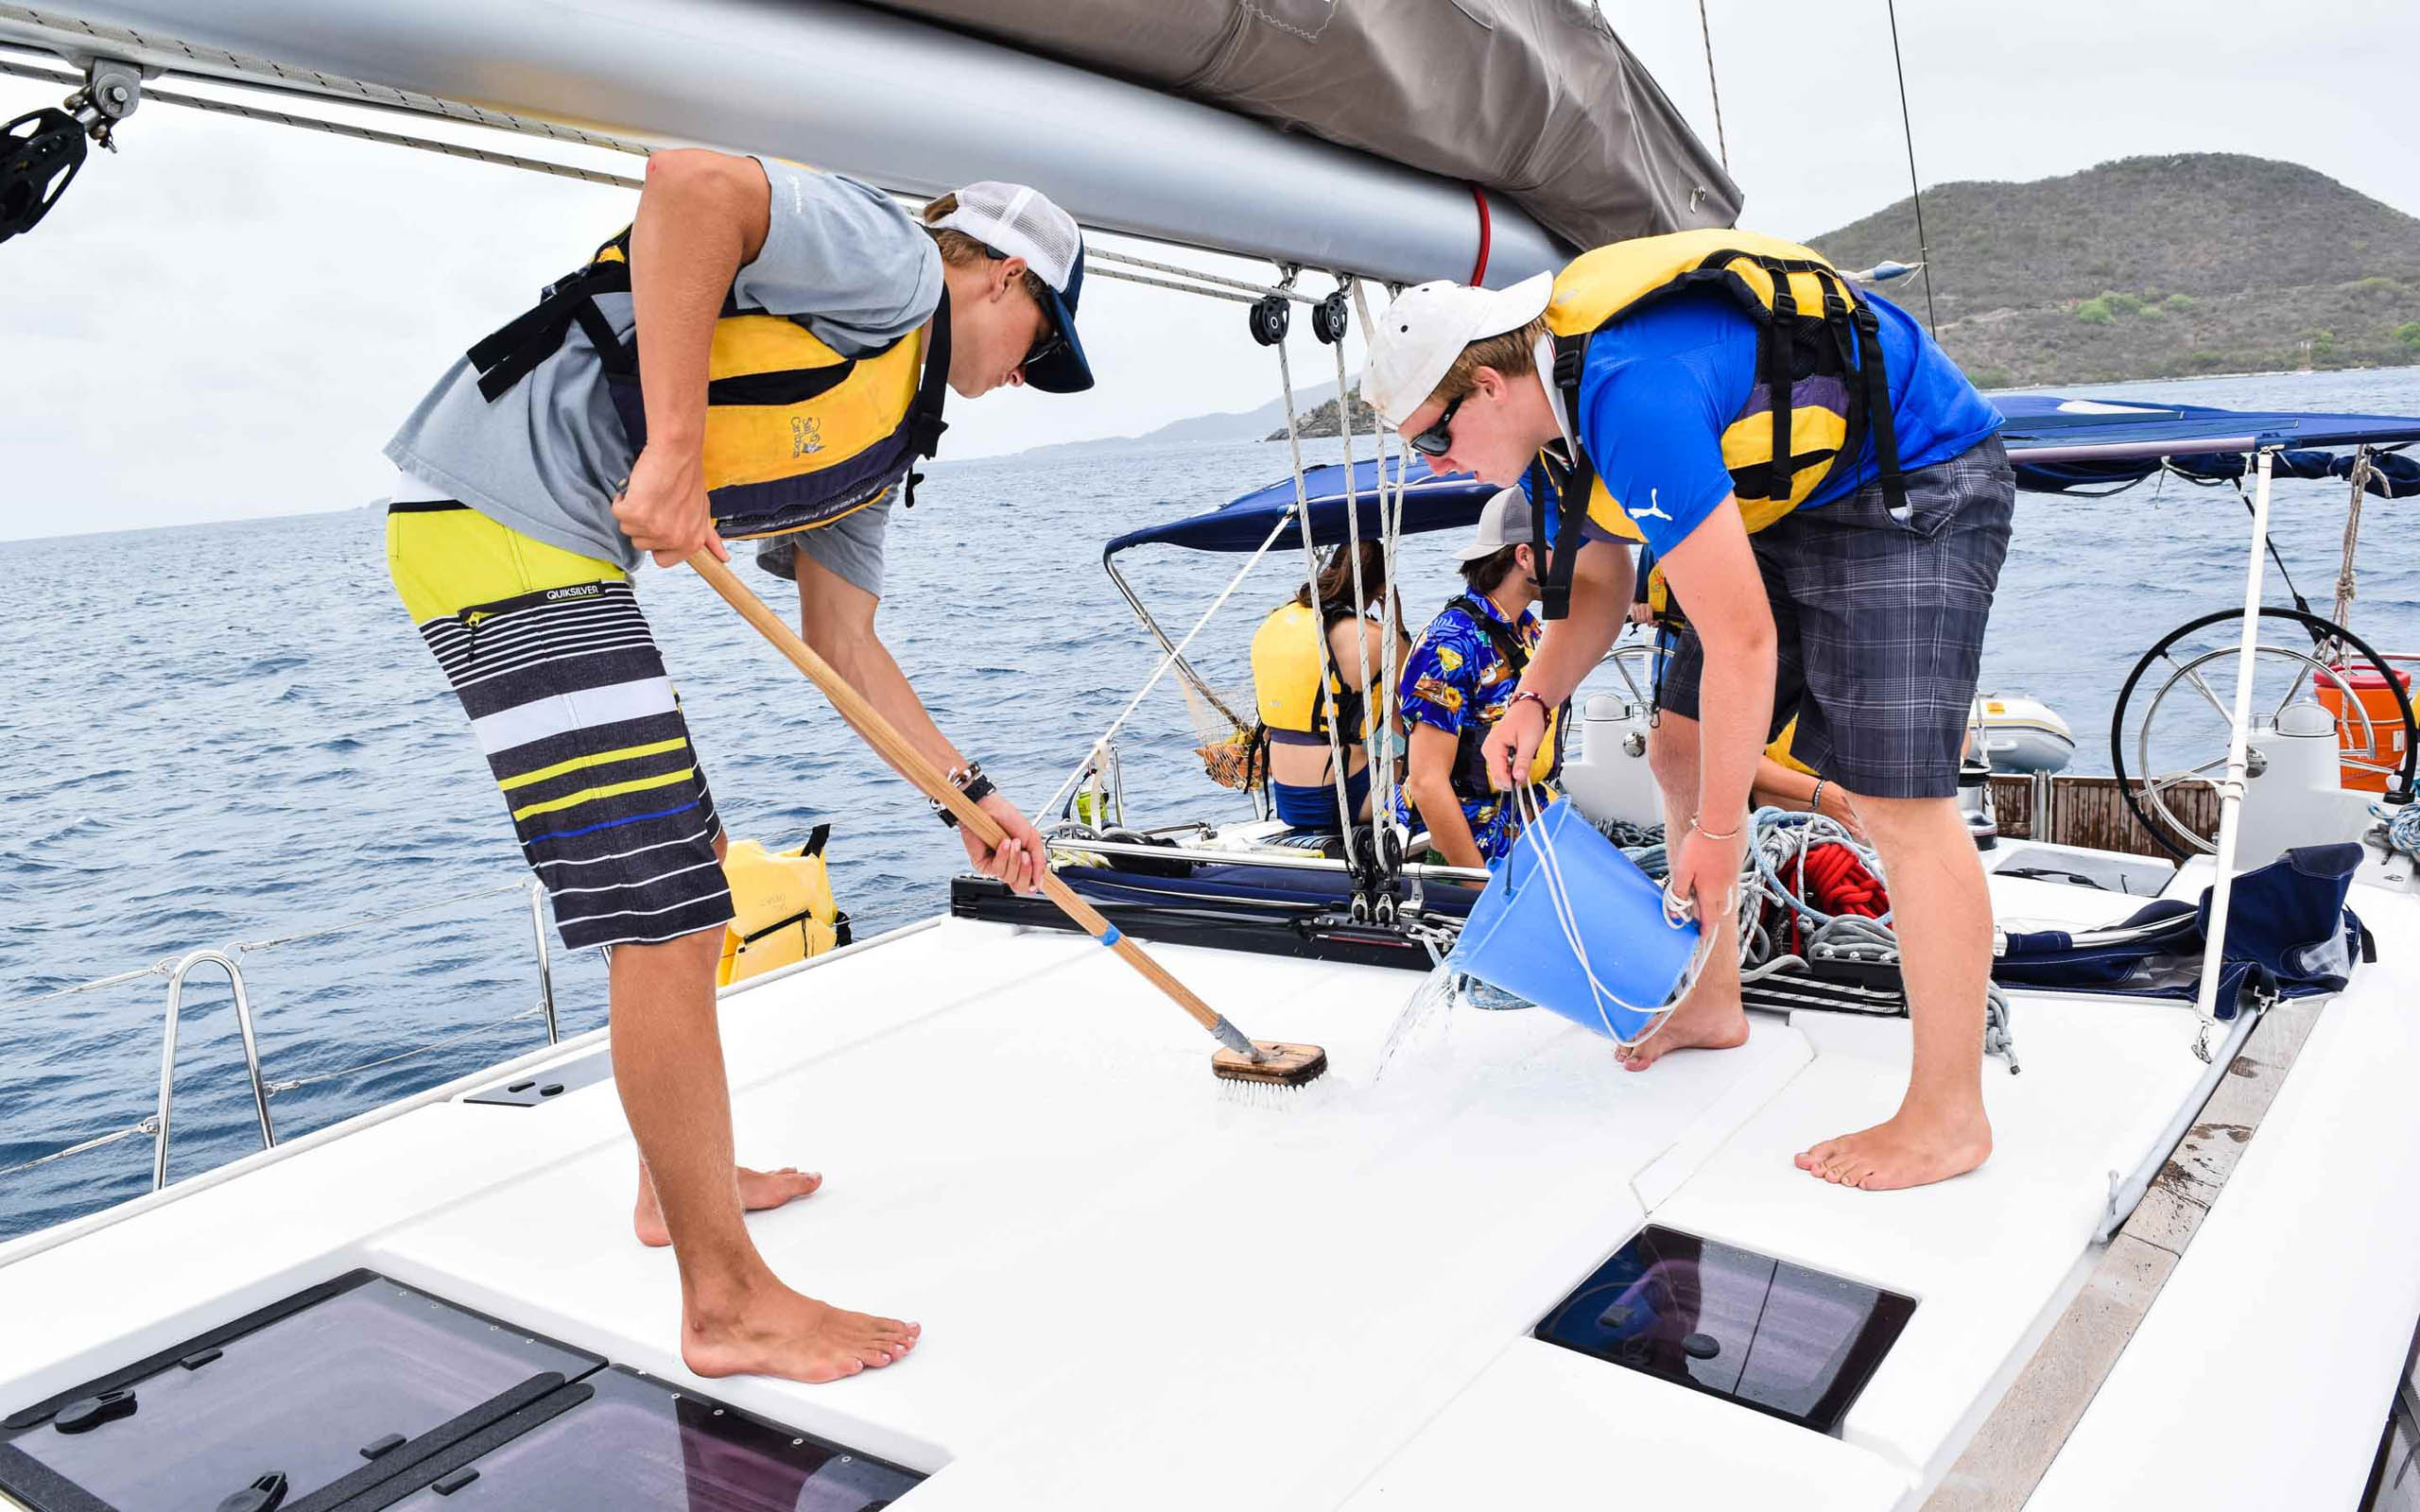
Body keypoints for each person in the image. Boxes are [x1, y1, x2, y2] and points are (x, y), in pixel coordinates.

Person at [383, 155, 1091, 1381]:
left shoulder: (885, 438)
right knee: (664, 915)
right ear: (1003, 275)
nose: (1031, 372)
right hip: (499, 520)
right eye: (1046, 338)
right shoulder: (891, 265)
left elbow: (845, 646)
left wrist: (966, 799)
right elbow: (694, 186)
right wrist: (670, 450)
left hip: (550, 539)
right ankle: (723, 1303)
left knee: (696, 870)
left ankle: (678, 1193)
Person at [1365, 231, 2012, 1192]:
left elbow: (1743, 641)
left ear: (1489, 387)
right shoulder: (1552, 436)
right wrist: (1534, 700)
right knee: (1678, 746)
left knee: (1896, 802)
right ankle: (1714, 1005)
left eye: (1433, 438)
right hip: (1786, 504)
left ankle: (1948, 1115)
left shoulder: (1627, 395)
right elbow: (1593, 591)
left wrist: (1717, 830)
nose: (1435, 466)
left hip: (1912, 478)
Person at [1396, 486, 1565, 868]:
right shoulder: (1449, 644)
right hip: (1475, 846)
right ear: (1525, 556)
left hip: (1531, 821)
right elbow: (1426, 781)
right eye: (1560, 544)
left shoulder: (1528, 631)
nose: (1572, 558)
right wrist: (1475, 887)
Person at [1250, 540, 1405, 829]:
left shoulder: (1277, 621)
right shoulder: (1373, 636)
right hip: (1345, 802)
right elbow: (1418, 694)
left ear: (1332, 570)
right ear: (1383, 587)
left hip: (1288, 800)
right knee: (1433, 762)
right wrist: (1395, 621)